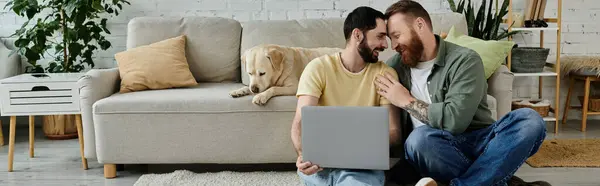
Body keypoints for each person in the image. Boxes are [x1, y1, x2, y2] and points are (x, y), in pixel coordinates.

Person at [374, 1, 550, 186]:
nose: (392, 45)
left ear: (420, 25)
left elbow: (454, 121)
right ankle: (496, 179)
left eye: (396, 35)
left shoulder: (465, 60)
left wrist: (407, 101)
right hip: (432, 151)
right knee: (420, 140)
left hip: (477, 143)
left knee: (529, 120)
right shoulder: (394, 67)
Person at [291, 6, 436, 186]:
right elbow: (300, 122)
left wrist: (354, 148)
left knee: (355, 182)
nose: (385, 45)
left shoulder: (385, 74)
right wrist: (302, 154)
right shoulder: (318, 68)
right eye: (380, 36)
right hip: (320, 166)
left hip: (362, 166)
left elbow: (394, 132)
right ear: (358, 35)